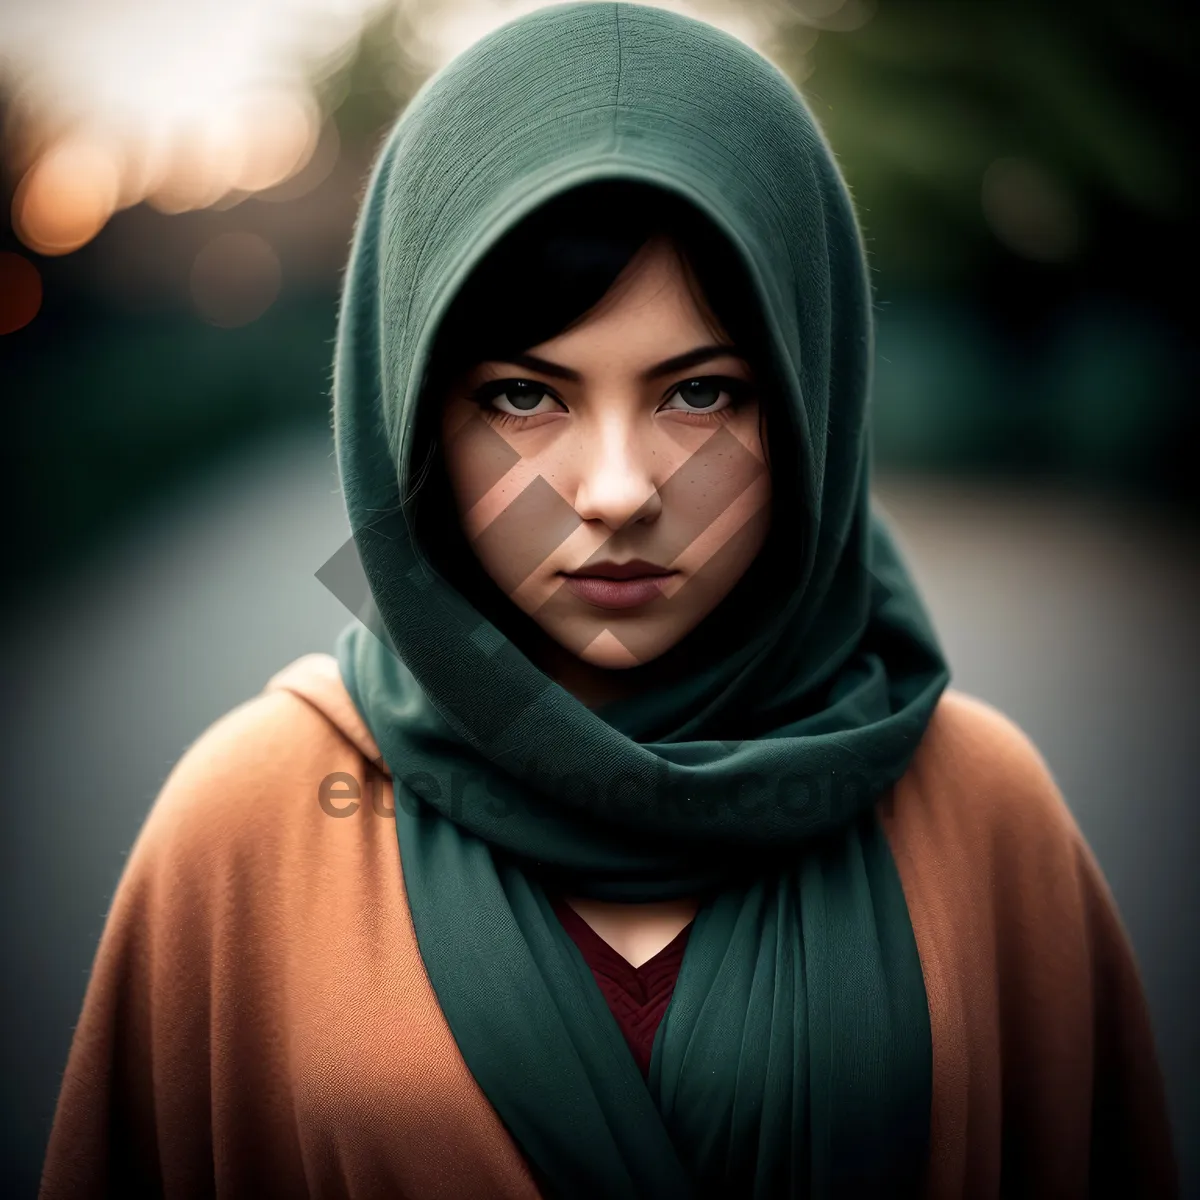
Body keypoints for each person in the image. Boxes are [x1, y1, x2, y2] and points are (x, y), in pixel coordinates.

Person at [40, 4, 1177, 1198]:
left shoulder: (981, 809)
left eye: (701, 395)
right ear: (414, 416)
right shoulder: (247, 826)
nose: (620, 490)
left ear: (808, 403)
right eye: (526, 398)